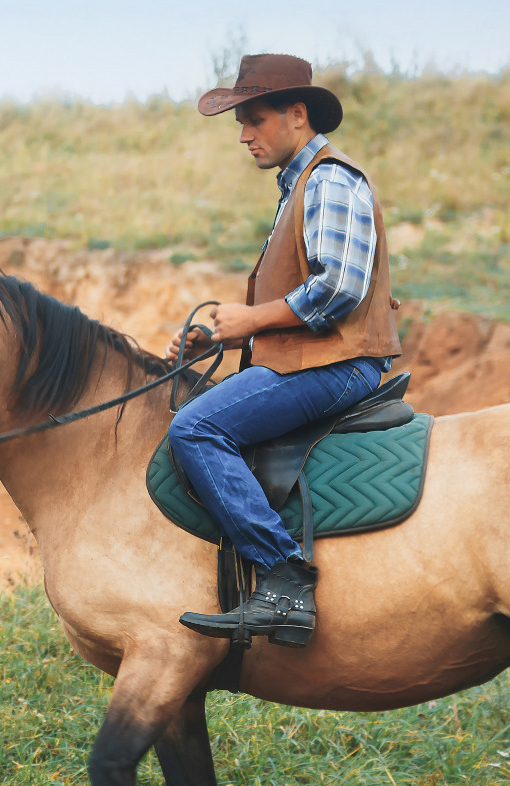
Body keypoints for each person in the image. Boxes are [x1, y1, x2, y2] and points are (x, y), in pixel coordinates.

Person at [168, 53, 402, 648]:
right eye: (240, 122)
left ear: (297, 114)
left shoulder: (330, 178)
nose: (244, 134)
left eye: (255, 118)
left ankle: (283, 579)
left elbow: (336, 288)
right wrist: (231, 333)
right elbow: (303, 299)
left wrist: (249, 318)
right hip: (313, 357)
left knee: (196, 429)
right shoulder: (299, 184)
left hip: (341, 365)